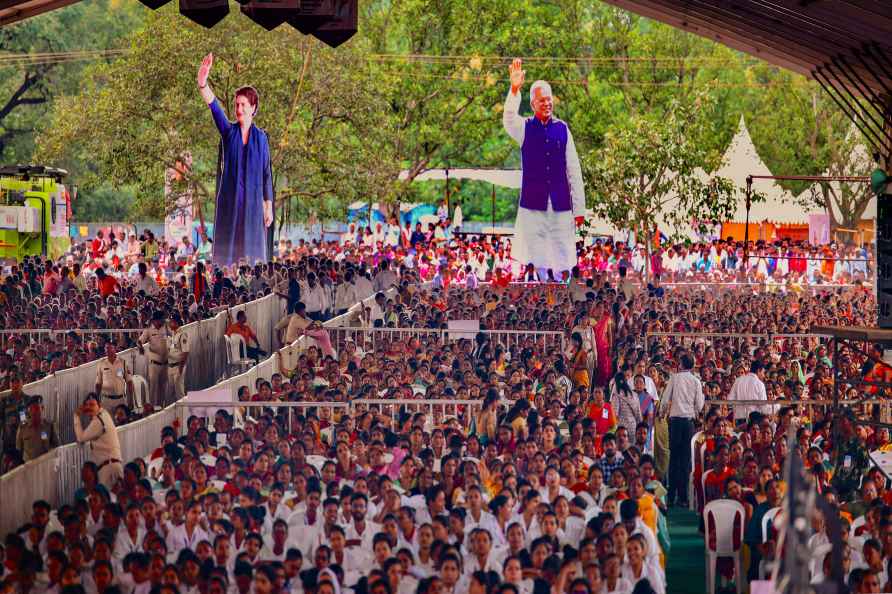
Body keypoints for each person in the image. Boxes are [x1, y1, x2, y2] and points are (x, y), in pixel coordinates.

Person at [502, 58, 586, 280]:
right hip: (533, 204)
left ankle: (561, 292)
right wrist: (514, 89)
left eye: (549, 100)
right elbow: (508, 118)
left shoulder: (563, 129)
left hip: (560, 203)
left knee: (562, 256)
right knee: (535, 256)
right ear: (532, 105)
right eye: (542, 101)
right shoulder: (524, 128)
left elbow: (574, 171)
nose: (547, 104)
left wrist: (579, 210)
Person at [198, 52, 274, 266]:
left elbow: (266, 174)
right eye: (237, 105)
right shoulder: (228, 132)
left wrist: (268, 207)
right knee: (228, 258)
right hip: (231, 204)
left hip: (253, 207)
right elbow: (214, 108)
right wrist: (203, 83)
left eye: (243, 105)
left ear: (253, 108)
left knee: (251, 259)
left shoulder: (262, 139)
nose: (239, 109)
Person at [658, 353, 704, 508]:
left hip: (675, 422)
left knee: (674, 459)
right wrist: (697, 412)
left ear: (681, 364)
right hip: (689, 422)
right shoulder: (696, 381)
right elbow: (699, 405)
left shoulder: (674, 378)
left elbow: (665, 399)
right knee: (685, 461)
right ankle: (683, 498)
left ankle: (671, 497)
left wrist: (662, 412)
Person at [73, 394, 122, 489]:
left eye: (92, 404)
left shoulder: (99, 420)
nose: (89, 407)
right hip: (112, 465)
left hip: (108, 468)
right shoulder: (104, 414)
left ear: (99, 405)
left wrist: (76, 416)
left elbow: (80, 438)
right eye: (86, 405)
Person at [138, 311, 170, 408]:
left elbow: (174, 332)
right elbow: (140, 340)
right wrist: (140, 347)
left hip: (165, 363)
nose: (163, 321)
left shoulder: (166, 327)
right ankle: (151, 408)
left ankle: (161, 407)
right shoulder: (148, 329)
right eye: (161, 319)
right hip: (154, 364)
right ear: (156, 320)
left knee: (163, 387)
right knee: (153, 388)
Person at [15, 396, 58, 462]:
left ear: (42, 408)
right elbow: (19, 448)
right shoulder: (22, 428)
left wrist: (51, 452)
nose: (34, 412)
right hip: (29, 466)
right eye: (31, 409)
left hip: (45, 464)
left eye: (37, 408)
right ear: (28, 411)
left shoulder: (49, 426)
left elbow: (56, 445)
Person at [94, 343, 135, 414]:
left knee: (121, 423)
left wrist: (131, 400)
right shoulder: (101, 363)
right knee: (107, 424)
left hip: (120, 400)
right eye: (106, 348)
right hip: (106, 401)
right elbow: (98, 384)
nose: (107, 350)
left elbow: (129, 382)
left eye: (109, 348)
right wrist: (97, 400)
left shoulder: (123, 362)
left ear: (115, 349)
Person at [167, 313, 190, 402]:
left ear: (176, 323)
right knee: (171, 393)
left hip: (178, 366)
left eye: (171, 322)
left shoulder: (182, 334)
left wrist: (180, 368)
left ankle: (184, 412)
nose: (170, 324)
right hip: (171, 366)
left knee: (179, 392)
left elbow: (185, 352)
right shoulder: (173, 334)